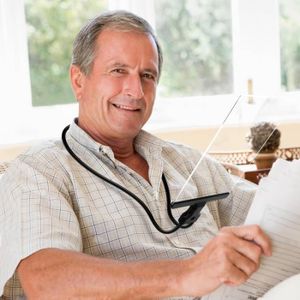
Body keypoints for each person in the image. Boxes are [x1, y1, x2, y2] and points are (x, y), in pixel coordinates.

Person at [0, 10, 271, 299]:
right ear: (79, 80)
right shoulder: (38, 171)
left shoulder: (187, 162)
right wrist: (188, 274)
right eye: (118, 71)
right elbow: (47, 281)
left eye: (147, 75)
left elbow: (273, 213)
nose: (136, 90)